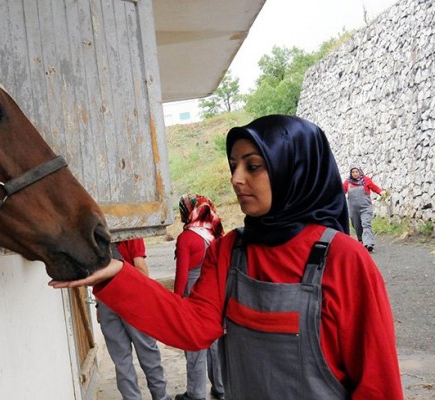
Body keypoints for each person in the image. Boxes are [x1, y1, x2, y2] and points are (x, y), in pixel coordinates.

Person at [52, 115, 403, 399]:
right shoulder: (229, 249)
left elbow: (378, 384)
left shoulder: (344, 259)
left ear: (292, 170)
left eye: (253, 166)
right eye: (234, 165)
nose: (236, 179)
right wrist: (115, 275)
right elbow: (193, 327)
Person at [97, 238, 171, 400]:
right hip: (132, 298)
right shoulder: (131, 233)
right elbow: (139, 267)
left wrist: (99, 305)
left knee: (121, 360)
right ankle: (161, 397)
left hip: (106, 299)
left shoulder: (94, 234)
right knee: (148, 353)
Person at [174, 194, 225, 400]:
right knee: (214, 345)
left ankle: (196, 394)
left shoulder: (186, 238)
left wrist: (176, 303)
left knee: (195, 347)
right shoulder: (216, 233)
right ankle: (221, 388)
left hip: (193, 301)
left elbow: (182, 276)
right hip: (214, 299)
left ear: (188, 211)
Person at [343, 165, 385, 252]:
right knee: (357, 226)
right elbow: (342, 191)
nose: (355, 174)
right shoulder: (348, 182)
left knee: (366, 224)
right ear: (351, 173)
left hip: (366, 207)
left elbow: (374, 187)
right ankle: (361, 240)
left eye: (356, 172)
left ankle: (369, 243)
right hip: (353, 209)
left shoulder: (366, 180)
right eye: (353, 172)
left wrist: (381, 192)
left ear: (360, 172)